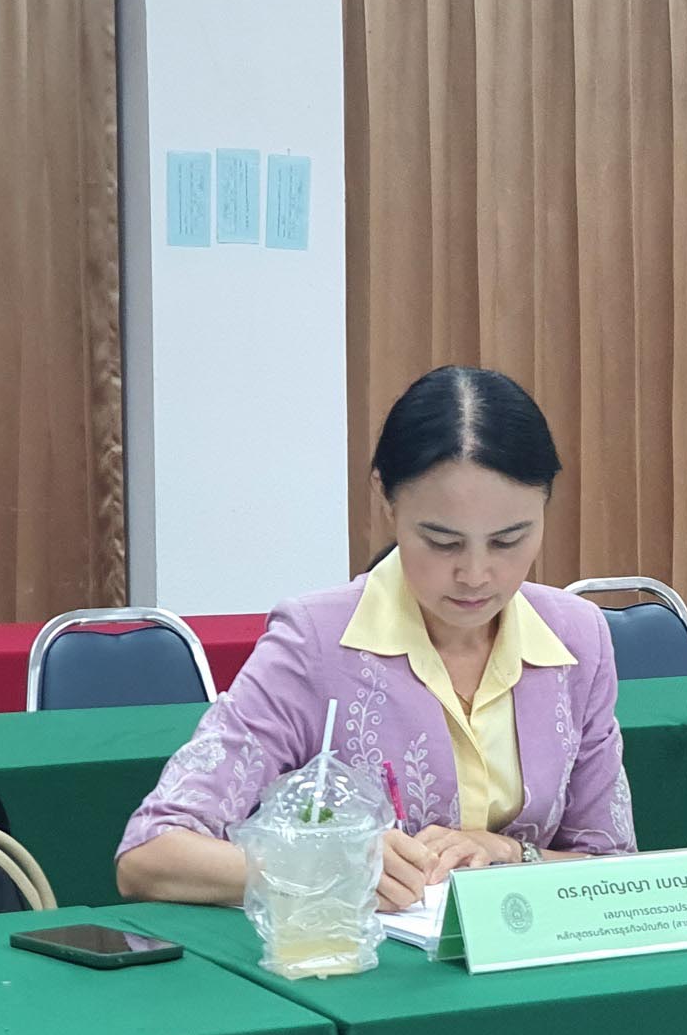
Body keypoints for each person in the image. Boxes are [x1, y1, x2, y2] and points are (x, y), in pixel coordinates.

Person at [116, 366, 635, 908]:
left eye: (508, 541)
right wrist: (329, 867)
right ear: (388, 502)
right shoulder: (317, 642)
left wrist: (510, 853)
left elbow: (615, 865)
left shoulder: (577, 638)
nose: (476, 574)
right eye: (442, 542)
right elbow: (150, 855)